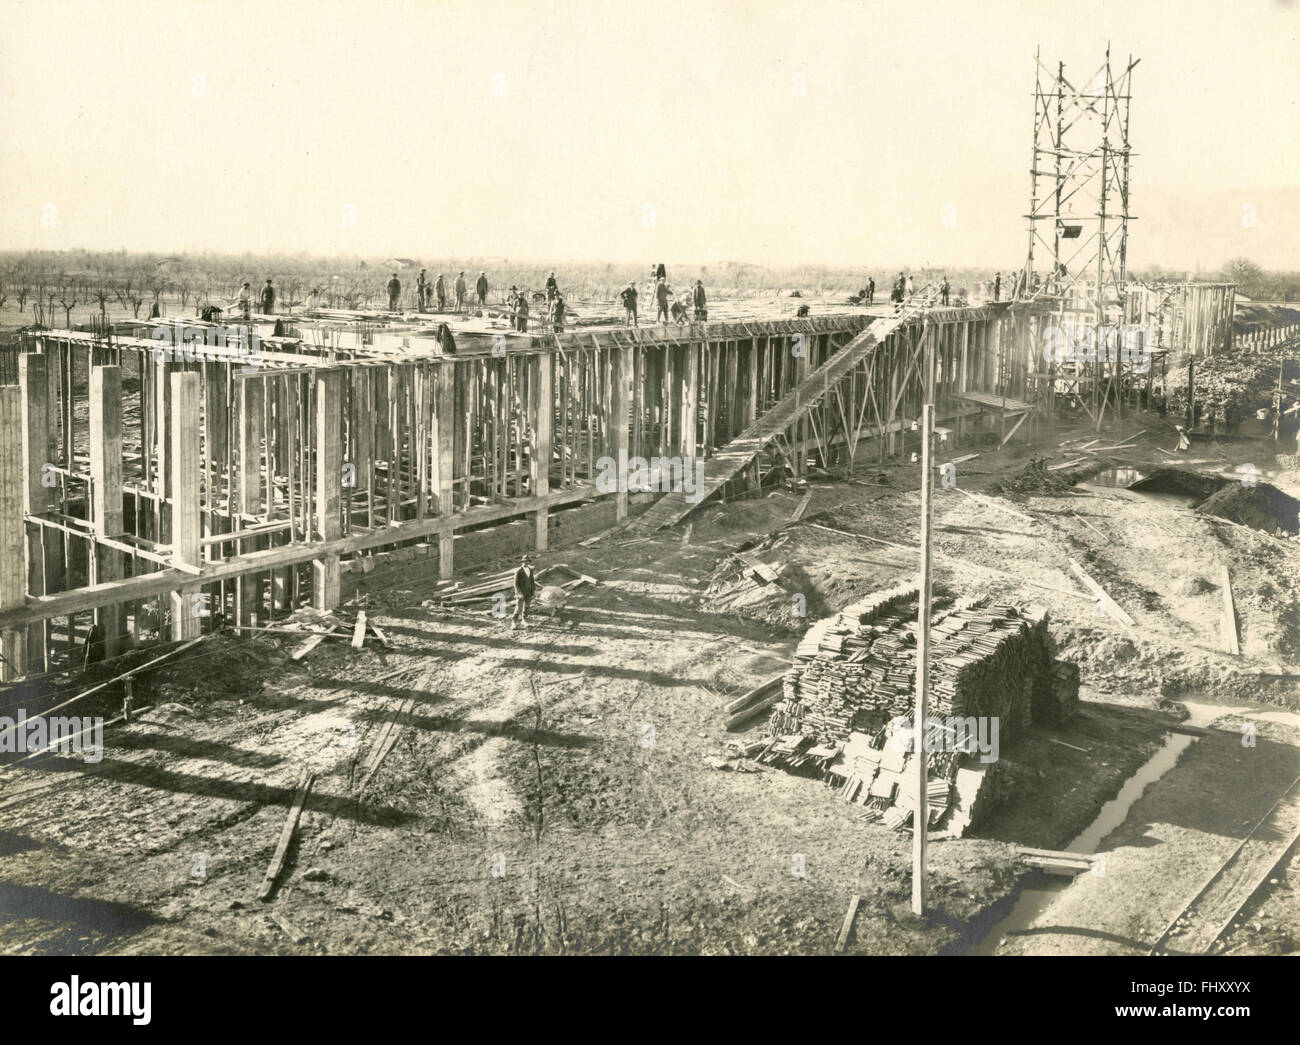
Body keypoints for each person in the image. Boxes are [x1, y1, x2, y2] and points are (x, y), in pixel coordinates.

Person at [512, 555, 536, 628]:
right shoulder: (518, 571)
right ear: (522, 562)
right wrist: (519, 593)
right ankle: (514, 623)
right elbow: (515, 583)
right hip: (521, 593)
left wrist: (534, 591)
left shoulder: (530, 570)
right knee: (518, 608)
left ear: (529, 562)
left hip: (529, 592)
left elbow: (532, 581)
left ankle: (524, 620)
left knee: (527, 607)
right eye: (524, 561)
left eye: (527, 561)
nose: (526, 562)